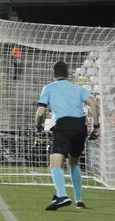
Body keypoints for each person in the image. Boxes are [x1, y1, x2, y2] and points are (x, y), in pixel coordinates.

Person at [35, 61, 99, 211]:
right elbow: (94, 105)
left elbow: (40, 112)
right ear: (68, 73)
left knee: (55, 163)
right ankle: (79, 200)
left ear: (53, 74)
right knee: (73, 162)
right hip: (80, 127)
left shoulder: (49, 88)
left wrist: (38, 127)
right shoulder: (78, 88)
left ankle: (62, 196)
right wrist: (96, 127)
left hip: (64, 125)